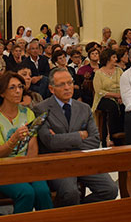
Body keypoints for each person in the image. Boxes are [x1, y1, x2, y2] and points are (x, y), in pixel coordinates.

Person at [36, 68, 118, 206]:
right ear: (51, 88)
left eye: (70, 83)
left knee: (110, 190)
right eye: (62, 84)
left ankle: (80, 212)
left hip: (82, 159)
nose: (67, 87)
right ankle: (69, 218)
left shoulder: (84, 108)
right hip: (58, 162)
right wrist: (80, 135)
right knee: (70, 192)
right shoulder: (41, 109)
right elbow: (50, 142)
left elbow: (94, 140)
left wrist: (64, 141)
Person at [0, 72, 53, 213]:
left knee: (42, 191)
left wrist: (27, 168)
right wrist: (14, 139)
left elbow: (32, 147)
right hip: (1, 169)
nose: (18, 91)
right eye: (12, 88)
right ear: (2, 93)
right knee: (26, 192)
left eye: (20, 87)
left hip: (25, 166)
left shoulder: (27, 113)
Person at [92, 49, 124, 146]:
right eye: (113, 57)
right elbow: (99, 91)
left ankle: (120, 137)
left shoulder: (119, 71)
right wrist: (115, 95)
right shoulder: (99, 73)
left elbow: (124, 85)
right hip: (103, 98)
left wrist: (121, 96)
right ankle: (109, 137)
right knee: (112, 107)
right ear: (107, 59)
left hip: (119, 97)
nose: (116, 59)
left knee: (125, 107)